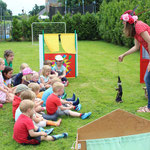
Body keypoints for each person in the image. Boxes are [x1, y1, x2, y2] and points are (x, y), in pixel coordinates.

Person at [119, 10, 150, 112]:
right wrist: (124, 55)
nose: (123, 23)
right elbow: (136, 47)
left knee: (147, 78)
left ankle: (149, 108)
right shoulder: (135, 30)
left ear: (129, 21)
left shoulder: (139, 26)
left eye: (123, 21)